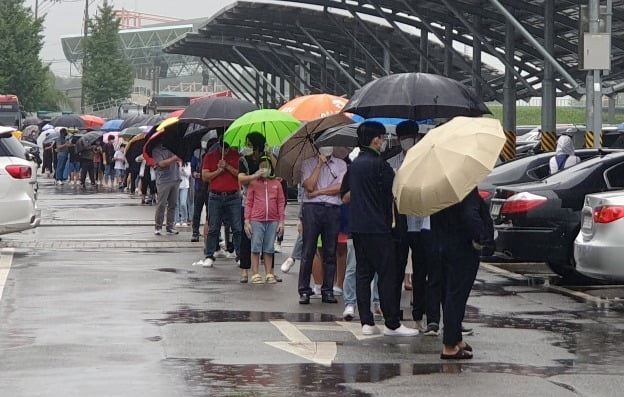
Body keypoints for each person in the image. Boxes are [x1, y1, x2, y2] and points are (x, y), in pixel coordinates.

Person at [344, 121, 418, 337]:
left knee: (363, 273)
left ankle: (366, 322)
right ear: (375, 139)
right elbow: (394, 191)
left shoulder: (355, 165)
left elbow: (346, 195)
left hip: (358, 227)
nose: (384, 142)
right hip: (379, 227)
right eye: (382, 138)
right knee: (387, 274)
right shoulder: (380, 164)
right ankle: (392, 323)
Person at [433, 188, 489, 359]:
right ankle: (450, 345)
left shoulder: (439, 189)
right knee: (456, 296)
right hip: (463, 247)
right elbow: (470, 215)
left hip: (443, 245)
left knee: (450, 293)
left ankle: (456, 338)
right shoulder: (465, 189)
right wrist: (481, 238)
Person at [297, 145, 347, 305]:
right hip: (312, 209)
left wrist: (319, 192)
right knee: (308, 250)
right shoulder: (307, 163)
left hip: (332, 208)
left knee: (330, 250)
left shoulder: (340, 164)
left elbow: (340, 187)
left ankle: (328, 290)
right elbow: (309, 185)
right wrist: (319, 164)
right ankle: (304, 290)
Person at [195, 131, 241, 268]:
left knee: (237, 227)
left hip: (233, 195)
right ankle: (209, 255)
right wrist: (218, 171)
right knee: (213, 227)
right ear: (219, 146)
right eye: (223, 147)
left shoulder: (236, 156)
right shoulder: (210, 157)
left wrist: (227, 167)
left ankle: (239, 254)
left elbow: (241, 174)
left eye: (227, 148)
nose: (225, 150)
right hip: (215, 195)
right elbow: (205, 176)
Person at [244, 156, 285, 284]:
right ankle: (255, 273)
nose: (264, 169)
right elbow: (249, 202)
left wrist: (281, 222)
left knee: (269, 248)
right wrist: (247, 221)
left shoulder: (277, 184)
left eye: (266, 167)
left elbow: (280, 202)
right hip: (256, 220)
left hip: (272, 220)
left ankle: (269, 273)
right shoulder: (254, 183)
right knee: (255, 246)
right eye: (261, 167)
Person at [238, 132, 269, 282]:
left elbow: (276, 176)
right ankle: (245, 270)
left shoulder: (267, 159)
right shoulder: (244, 160)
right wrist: (255, 176)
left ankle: (269, 271)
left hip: (266, 204)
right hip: (249, 203)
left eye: (249, 144)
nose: (247, 147)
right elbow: (241, 178)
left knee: (267, 239)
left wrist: (269, 158)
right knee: (247, 237)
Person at [152, 143, 181, 235]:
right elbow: (161, 163)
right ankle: (158, 226)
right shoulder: (156, 150)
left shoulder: (173, 147)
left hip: (175, 178)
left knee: (173, 204)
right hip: (164, 180)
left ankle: (170, 226)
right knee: (161, 204)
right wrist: (175, 158)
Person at [175, 162, 191, 227]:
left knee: (183, 203)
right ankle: (177, 220)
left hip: (184, 185)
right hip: (175, 184)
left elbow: (189, 174)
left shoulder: (187, 163)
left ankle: (184, 220)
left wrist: (183, 170)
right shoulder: (174, 163)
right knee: (176, 203)